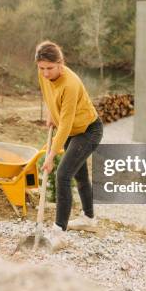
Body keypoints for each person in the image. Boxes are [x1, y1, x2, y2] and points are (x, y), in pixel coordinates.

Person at [35, 40, 103, 250]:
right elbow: (49, 95)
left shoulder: (70, 84)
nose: (45, 73)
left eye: (50, 68)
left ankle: (59, 233)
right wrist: (50, 113)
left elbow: (65, 123)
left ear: (61, 64)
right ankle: (89, 219)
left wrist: (51, 154)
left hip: (88, 131)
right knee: (80, 176)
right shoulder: (43, 74)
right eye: (41, 68)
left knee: (62, 174)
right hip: (73, 131)